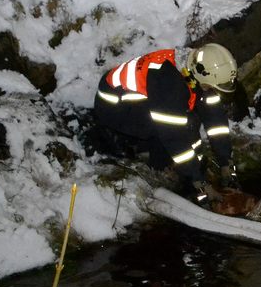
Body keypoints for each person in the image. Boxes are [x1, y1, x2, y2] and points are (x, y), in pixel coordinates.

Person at [92, 42, 240, 206]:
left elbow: (215, 120)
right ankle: (159, 169)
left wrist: (226, 162)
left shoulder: (201, 69)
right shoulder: (168, 83)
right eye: (211, 87)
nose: (212, 91)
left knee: (189, 121)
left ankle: (190, 168)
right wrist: (199, 182)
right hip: (115, 106)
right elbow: (173, 137)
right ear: (202, 77)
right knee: (169, 131)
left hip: (144, 97)